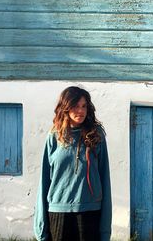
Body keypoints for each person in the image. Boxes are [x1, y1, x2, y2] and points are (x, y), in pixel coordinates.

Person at [34, 86, 112, 241]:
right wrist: (41, 226)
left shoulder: (96, 136)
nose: (80, 111)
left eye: (84, 106)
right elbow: (44, 181)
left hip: (90, 212)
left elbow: (105, 179)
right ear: (66, 107)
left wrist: (105, 230)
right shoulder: (54, 136)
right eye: (76, 106)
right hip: (58, 212)